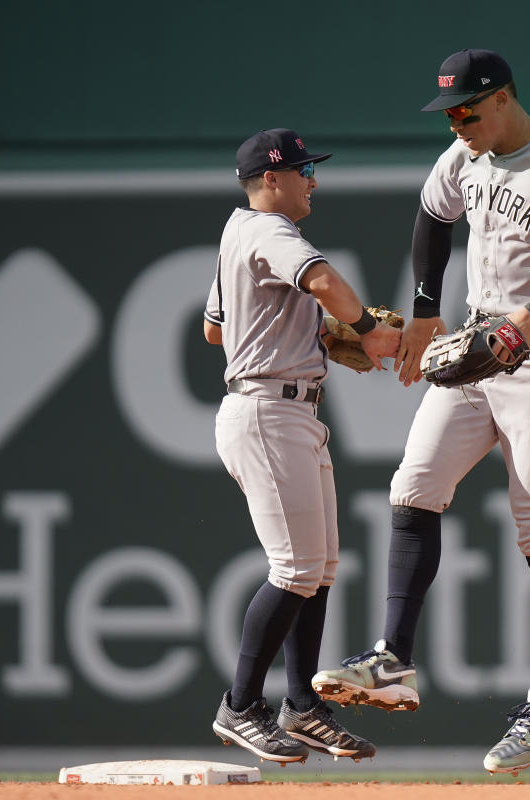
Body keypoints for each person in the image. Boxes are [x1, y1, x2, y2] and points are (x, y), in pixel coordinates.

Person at [311, 48, 530, 774]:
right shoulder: (463, 157)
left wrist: (527, 321)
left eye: (469, 110)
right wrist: (425, 314)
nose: (457, 124)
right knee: (413, 486)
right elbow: (431, 217)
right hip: (478, 337)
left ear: (506, 98)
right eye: (450, 114)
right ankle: (393, 657)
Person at [203, 128, 401, 764]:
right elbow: (320, 280)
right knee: (294, 570)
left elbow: (214, 329)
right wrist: (366, 331)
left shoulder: (238, 235)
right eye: (303, 171)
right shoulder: (268, 231)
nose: (313, 180)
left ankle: (302, 706)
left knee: (318, 571)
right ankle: (239, 706)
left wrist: (303, 336)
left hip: (290, 408)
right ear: (270, 179)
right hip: (267, 411)